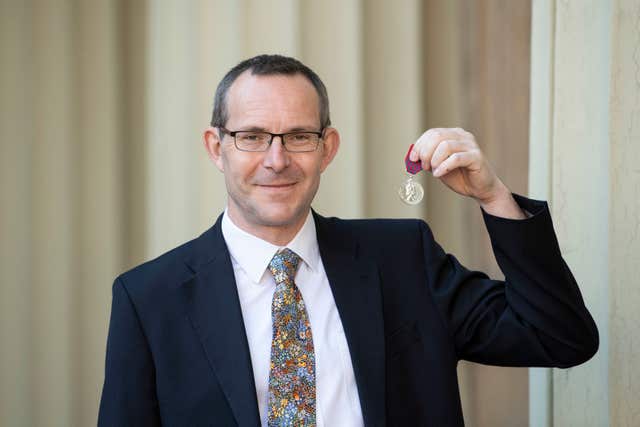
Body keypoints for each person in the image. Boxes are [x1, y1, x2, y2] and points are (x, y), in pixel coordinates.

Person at [98, 54, 598, 427]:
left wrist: (493, 196)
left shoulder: (403, 260)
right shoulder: (148, 299)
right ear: (217, 147)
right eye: (251, 136)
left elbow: (560, 336)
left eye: (298, 136)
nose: (277, 160)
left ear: (327, 148)